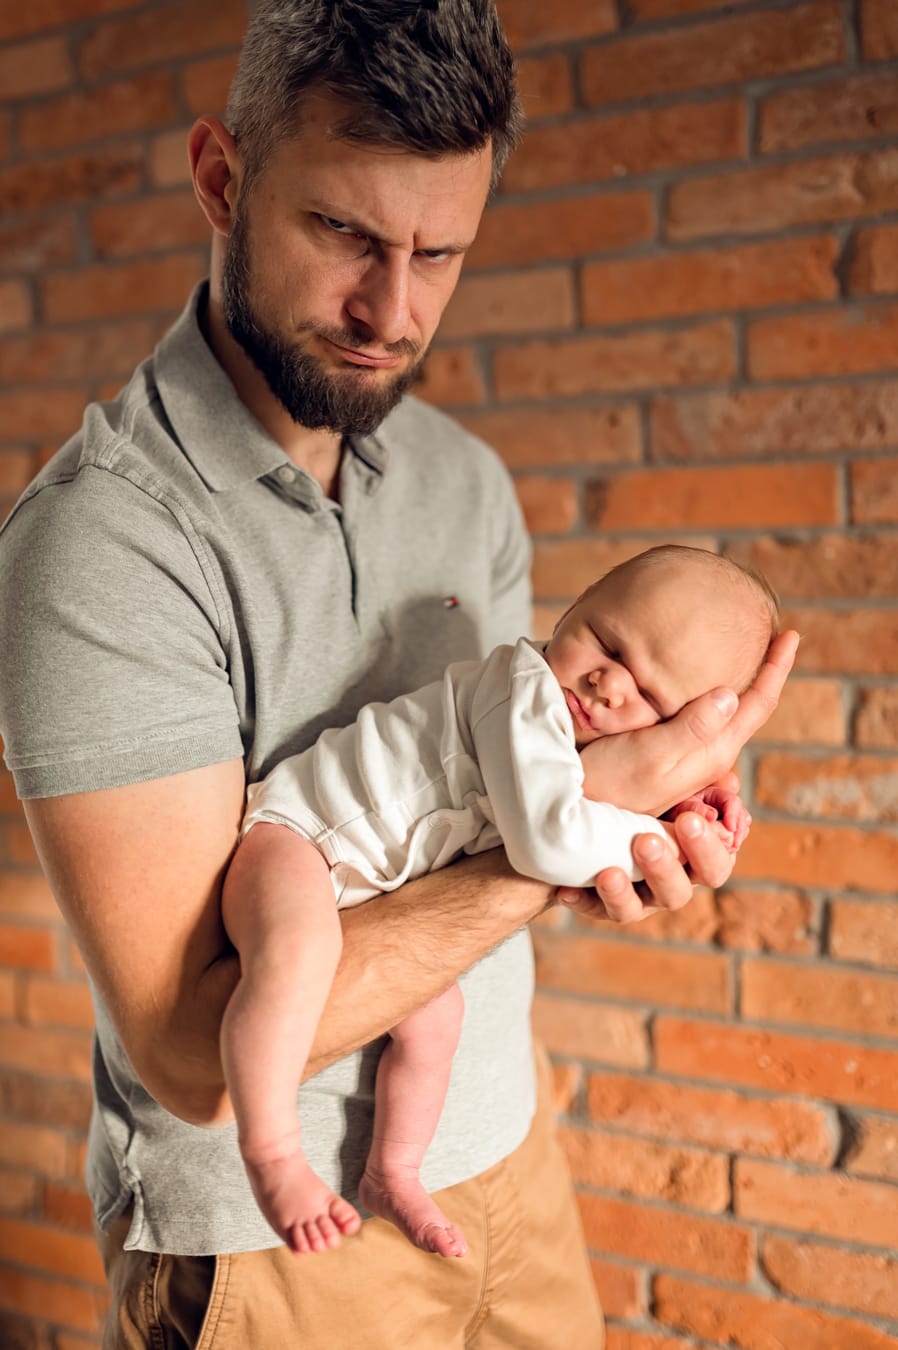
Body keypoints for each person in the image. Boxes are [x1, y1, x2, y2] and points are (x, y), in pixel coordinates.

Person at [0, 2, 797, 1346]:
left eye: (439, 252)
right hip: (273, 1249)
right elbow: (192, 1055)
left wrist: (648, 816)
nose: (393, 308)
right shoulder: (98, 544)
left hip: (496, 1153)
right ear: (221, 181)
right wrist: (560, 841)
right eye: (346, 236)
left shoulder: (463, 480)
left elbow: (506, 786)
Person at [222, 544, 778, 1260]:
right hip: (297, 838)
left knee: (437, 1021)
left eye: (650, 698)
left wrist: (683, 810)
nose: (609, 684)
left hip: (365, 892)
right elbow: (550, 841)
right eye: (606, 642)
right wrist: (655, 832)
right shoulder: (524, 689)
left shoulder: (571, 742)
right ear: (575, 605)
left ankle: (393, 1170)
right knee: (295, 956)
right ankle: (271, 1155)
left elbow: (587, 798)